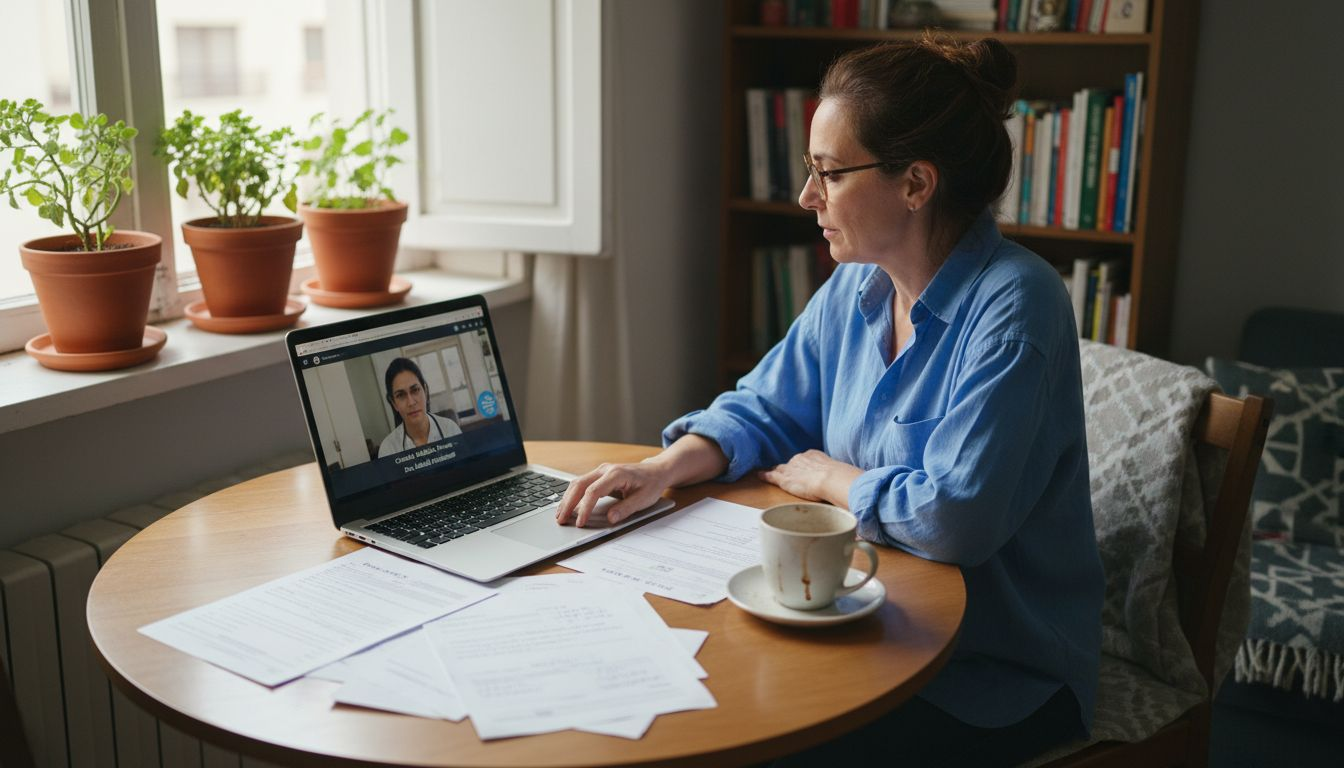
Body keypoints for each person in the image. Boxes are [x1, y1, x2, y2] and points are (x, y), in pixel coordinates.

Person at [555, 36, 1103, 765]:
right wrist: (667, 467)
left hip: (993, 678)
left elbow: (957, 518)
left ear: (916, 184)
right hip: (864, 632)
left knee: (747, 744)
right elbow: (768, 405)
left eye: (830, 173)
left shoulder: (1017, 306)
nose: (808, 197)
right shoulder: (859, 283)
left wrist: (832, 480)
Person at [378, 357, 462, 458]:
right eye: (401, 395)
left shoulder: (450, 429)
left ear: (425, 391)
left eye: (415, 390)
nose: (411, 402)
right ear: (394, 404)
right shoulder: (388, 449)